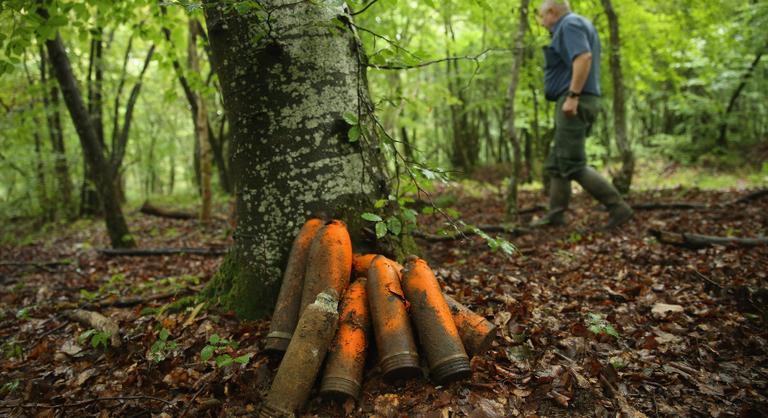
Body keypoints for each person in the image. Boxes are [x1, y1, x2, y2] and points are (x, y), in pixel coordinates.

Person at [533, 0, 633, 229]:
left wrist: (573, 95)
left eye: (542, 16)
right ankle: (556, 214)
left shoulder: (570, 24)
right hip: (573, 98)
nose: (541, 23)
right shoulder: (574, 24)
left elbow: (583, 57)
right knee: (558, 161)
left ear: (552, 11)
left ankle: (618, 207)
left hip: (575, 100)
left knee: (572, 163)